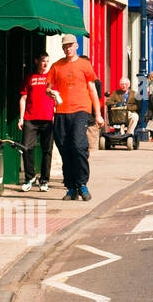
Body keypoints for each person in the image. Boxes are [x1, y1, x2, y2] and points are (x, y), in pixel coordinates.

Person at [47, 35, 104, 201]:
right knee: (65, 149)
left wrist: (98, 114)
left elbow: (92, 90)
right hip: (61, 112)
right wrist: (50, 92)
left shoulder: (85, 65)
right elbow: (48, 87)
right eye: (65, 46)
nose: (67, 49)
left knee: (79, 146)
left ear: (76, 46)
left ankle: (82, 184)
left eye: (70, 46)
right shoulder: (57, 66)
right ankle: (71, 187)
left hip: (80, 110)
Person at [18, 53, 55, 192]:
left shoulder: (52, 78)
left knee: (47, 150)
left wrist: (55, 114)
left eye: (47, 61)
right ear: (36, 61)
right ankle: (30, 177)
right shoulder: (30, 77)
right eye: (43, 61)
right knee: (26, 148)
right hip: (30, 118)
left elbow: (56, 98)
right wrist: (21, 118)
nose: (45, 64)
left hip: (47, 119)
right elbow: (23, 98)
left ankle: (44, 181)